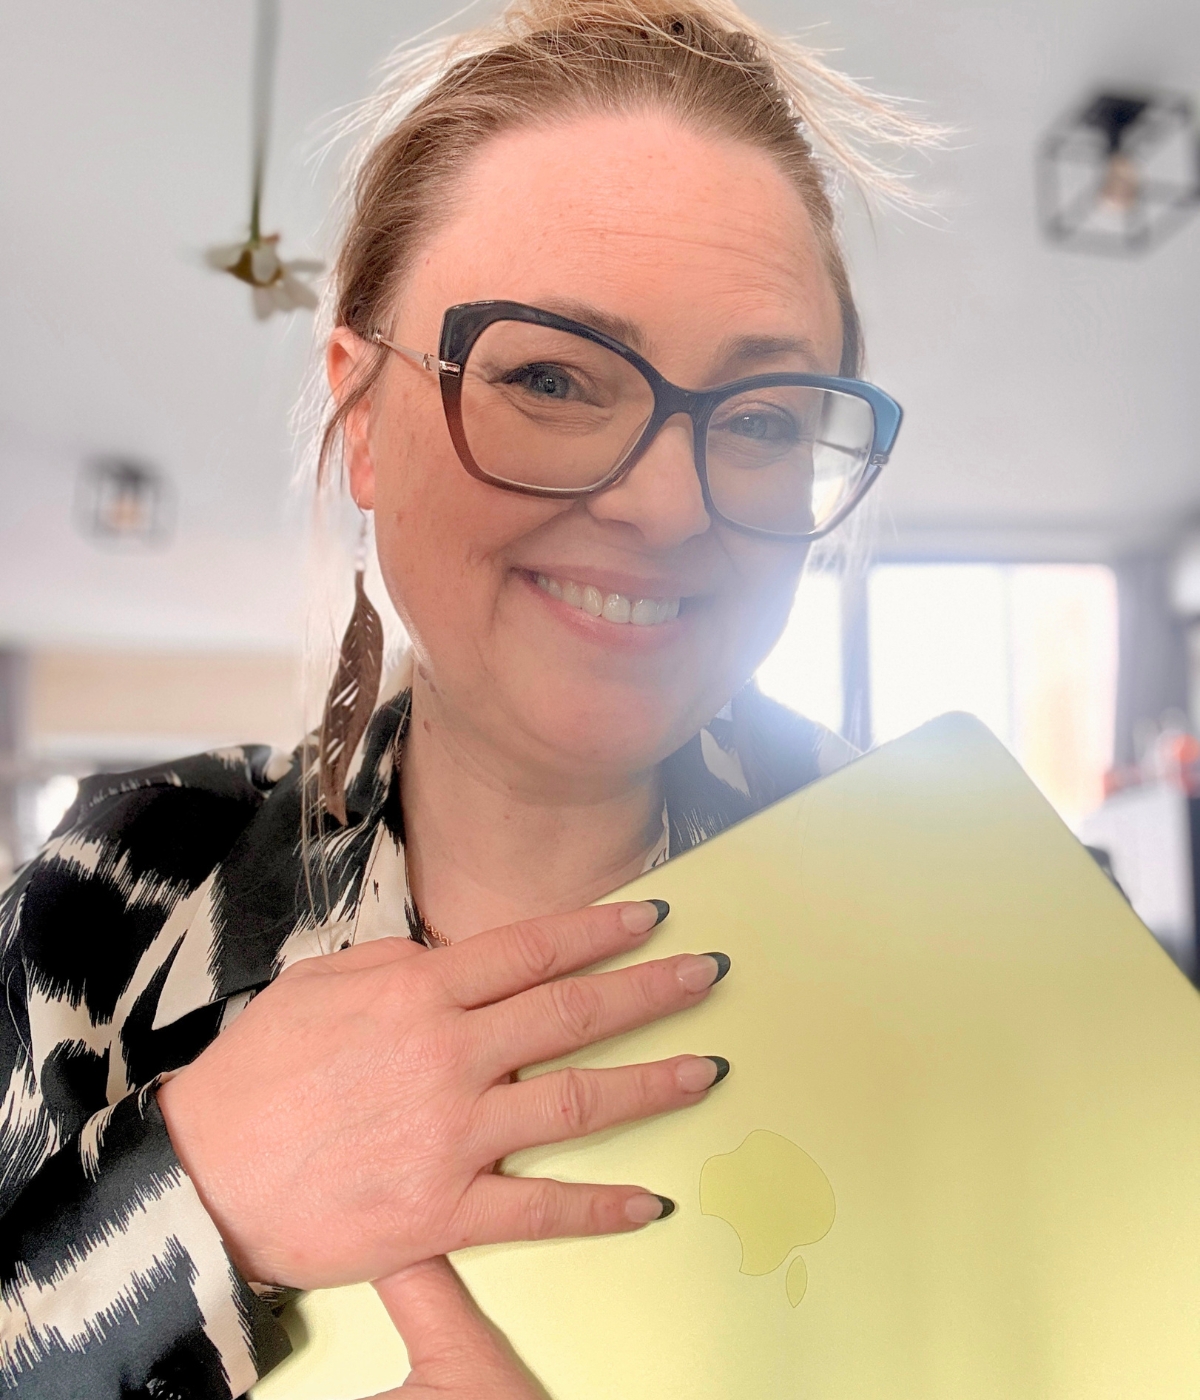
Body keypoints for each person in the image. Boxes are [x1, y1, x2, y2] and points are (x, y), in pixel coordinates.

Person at [0, 1, 927, 1394]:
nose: (670, 505)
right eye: (551, 376)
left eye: (761, 417)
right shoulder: (120, 888)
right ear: (362, 414)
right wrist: (187, 1198)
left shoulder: (936, 906)